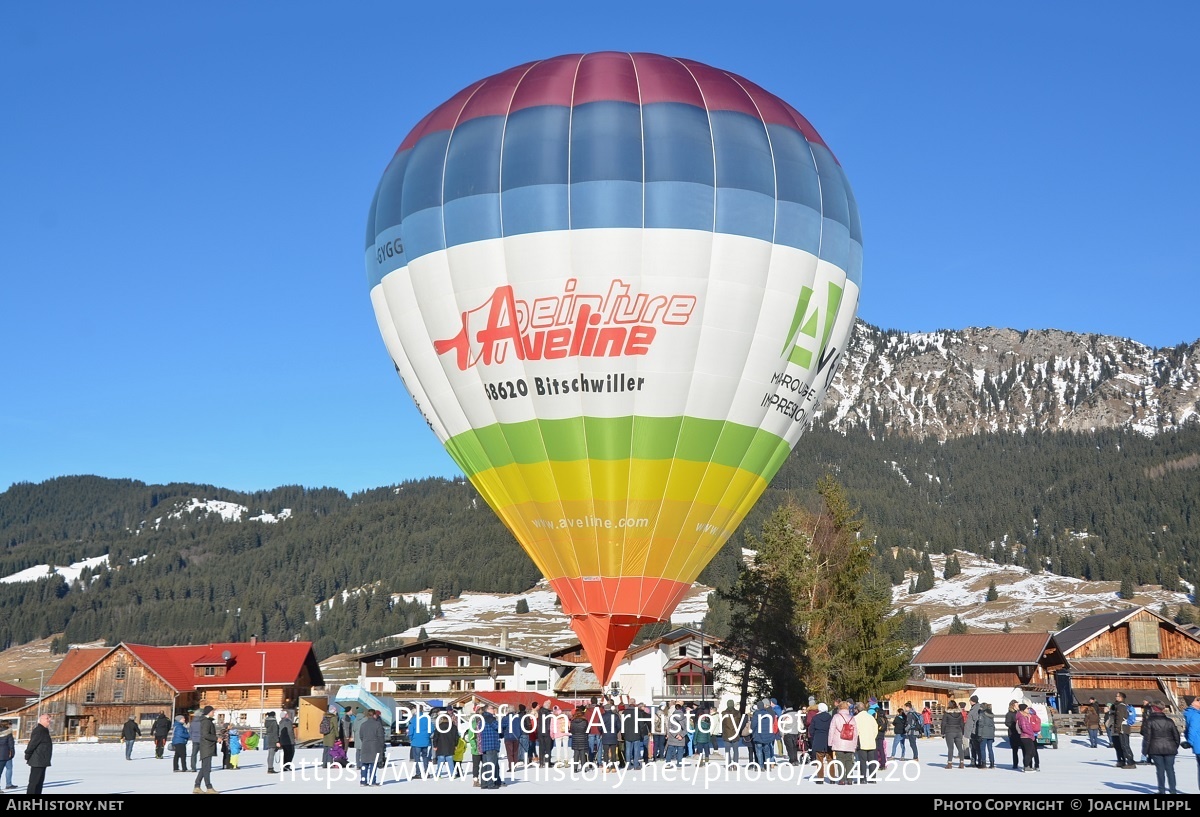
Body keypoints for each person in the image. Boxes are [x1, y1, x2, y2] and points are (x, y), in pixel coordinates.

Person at [1141, 700, 1181, 795]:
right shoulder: (1169, 721)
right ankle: (1173, 790)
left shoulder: (1150, 721)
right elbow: (1176, 736)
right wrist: (1175, 746)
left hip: (1155, 748)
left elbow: (1147, 737)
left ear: (1154, 709)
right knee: (1170, 770)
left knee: (1160, 770)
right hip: (1170, 748)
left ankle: (1161, 790)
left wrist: (1144, 751)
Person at [827, 700, 857, 785]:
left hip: (838, 742)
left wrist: (830, 742)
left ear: (839, 707)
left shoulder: (836, 716)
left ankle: (842, 779)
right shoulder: (852, 717)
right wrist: (855, 743)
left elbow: (831, 730)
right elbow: (855, 732)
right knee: (849, 761)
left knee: (840, 760)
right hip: (850, 743)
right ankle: (850, 779)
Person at [192, 705, 219, 794]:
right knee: (206, 768)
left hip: (208, 746)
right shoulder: (206, 722)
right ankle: (209, 787)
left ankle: (197, 786)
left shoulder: (207, 721)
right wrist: (216, 738)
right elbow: (205, 734)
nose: (214, 713)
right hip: (206, 747)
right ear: (208, 712)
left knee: (204, 768)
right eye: (212, 711)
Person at [24, 713, 53, 796]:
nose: (49, 720)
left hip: (42, 760)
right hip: (37, 760)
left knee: (39, 783)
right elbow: (32, 744)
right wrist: (27, 754)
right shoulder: (39, 730)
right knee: (34, 782)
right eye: (47, 718)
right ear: (41, 720)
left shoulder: (44, 730)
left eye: (49, 718)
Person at [358, 708, 386, 787]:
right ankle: (372, 781)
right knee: (373, 764)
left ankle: (363, 781)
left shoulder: (363, 724)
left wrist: (365, 741)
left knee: (364, 764)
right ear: (374, 715)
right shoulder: (377, 724)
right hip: (375, 746)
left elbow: (361, 736)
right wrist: (381, 746)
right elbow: (381, 737)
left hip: (365, 746)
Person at [478, 704, 503, 789]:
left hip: (485, 744)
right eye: (492, 708)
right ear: (487, 710)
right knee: (491, 764)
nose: (494, 710)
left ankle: (484, 783)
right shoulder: (490, 718)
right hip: (491, 744)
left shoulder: (482, 718)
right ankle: (490, 783)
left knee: (485, 764)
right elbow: (498, 727)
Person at [853, 702, 879, 783]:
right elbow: (876, 729)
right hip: (871, 741)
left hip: (862, 742)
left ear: (857, 709)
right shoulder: (870, 717)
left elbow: (855, 731)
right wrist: (872, 737)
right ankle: (873, 778)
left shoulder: (856, 718)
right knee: (872, 761)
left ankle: (863, 778)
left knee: (862, 762)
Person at [809, 702, 833, 784]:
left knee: (819, 760)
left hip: (818, 740)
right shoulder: (830, 717)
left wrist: (814, 736)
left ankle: (820, 778)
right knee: (830, 760)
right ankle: (832, 778)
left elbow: (811, 730)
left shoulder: (815, 718)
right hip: (828, 740)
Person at [1112, 692, 1137, 769]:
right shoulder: (1120, 706)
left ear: (1121, 698)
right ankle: (1125, 761)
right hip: (1123, 728)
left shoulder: (1121, 706)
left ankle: (1131, 762)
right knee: (1123, 745)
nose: (1116, 697)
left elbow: (1120, 718)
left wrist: (1116, 727)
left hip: (1123, 728)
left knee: (1125, 745)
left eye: (1118, 696)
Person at [1015, 703, 1041, 772]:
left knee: (1032, 752)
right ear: (1023, 710)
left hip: (1029, 736)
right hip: (1026, 737)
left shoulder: (1026, 717)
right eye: (1026, 708)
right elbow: (1024, 728)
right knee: (1029, 752)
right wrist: (1031, 733)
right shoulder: (1022, 718)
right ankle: (1026, 766)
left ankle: (1028, 765)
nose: (1028, 710)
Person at [408, 706, 432, 778]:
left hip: (416, 741)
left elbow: (410, 731)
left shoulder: (413, 719)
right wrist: (427, 735)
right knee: (425, 757)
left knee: (417, 758)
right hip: (425, 740)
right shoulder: (426, 719)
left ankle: (418, 773)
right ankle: (426, 772)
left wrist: (411, 738)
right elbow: (432, 728)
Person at [942, 700, 966, 768]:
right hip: (958, 731)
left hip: (949, 731)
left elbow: (943, 723)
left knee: (950, 748)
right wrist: (962, 732)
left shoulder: (947, 713)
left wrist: (943, 732)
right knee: (960, 748)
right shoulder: (960, 713)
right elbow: (962, 723)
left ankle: (949, 763)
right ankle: (962, 763)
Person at [1183, 696, 1200, 792]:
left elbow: (1187, 730)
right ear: (1192, 703)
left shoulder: (1191, 713)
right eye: (1198, 700)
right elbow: (1192, 730)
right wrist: (1190, 742)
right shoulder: (1195, 715)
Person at [569, 706, 590, 771]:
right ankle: (583, 768)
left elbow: (571, 730)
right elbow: (587, 730)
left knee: (576, 754)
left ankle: (575, 768)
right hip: (583, 738)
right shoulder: (585, 721)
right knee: (582, 754)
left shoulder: (572, 721)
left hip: (575, 738)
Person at [976, 701, 996, 769]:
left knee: (982, 749)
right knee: (990, 749)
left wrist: (979, 735)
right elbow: (993, 726)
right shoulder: (991, 714)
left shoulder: (982, 714)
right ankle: (992, 763)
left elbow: (980, 725)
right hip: (990, 734)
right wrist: (993, 735)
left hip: (984, 734)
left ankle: (983, 763)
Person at [964, 695, 983, 767]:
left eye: (970, 700)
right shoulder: (974, 708)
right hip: (971, 731)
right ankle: (973, 761)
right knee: (972, 747)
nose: (969, 702)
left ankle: (979, 761)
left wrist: (973, 731)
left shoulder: (976, 709)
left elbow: (976, 721)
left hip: (974, 732)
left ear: (973, 701)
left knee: (976, 747)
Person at [0, 719, 17, 791]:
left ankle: (9, 784)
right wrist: (12, 753)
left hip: (3, 754)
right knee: (9, 768)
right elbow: (11, 745)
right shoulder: (8, 733)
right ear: (7, 725)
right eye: (10, 724)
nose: (11, 725)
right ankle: (8, 784)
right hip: (7, 754)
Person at [1006, 700, 1022, 769]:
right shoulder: (1009, 714)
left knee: (1024, 749)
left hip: (1020, 733)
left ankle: (1026, 763)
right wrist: (1015, 726)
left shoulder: (1019, 713)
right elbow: (1007, 723)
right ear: (1013, 705)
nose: (1018, 706)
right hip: (1013, 734)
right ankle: (1015, 764)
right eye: (1017, 704)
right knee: (1015, 750)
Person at [188, 708, 202, 772]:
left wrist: (192, 737)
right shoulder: (202, 722)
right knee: (203, 754)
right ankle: (204, 766)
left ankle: (193, 767)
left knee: (194, 754)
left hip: (194, 739)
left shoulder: (192, 722)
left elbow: (190, 731)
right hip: (202, 739)